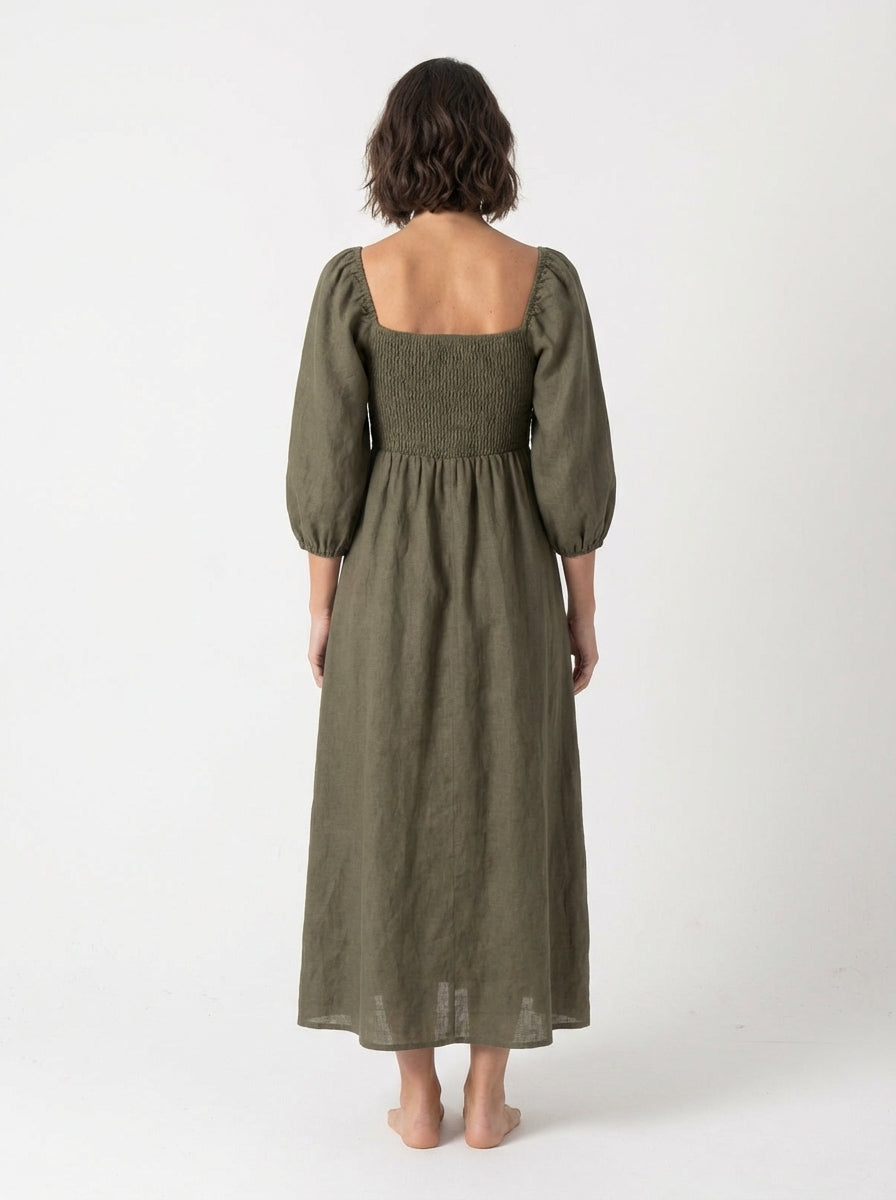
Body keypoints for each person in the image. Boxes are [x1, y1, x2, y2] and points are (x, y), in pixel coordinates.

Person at [285, 57, 616, 1150]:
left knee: (391, 805)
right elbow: (571, 465)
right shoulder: (541, 279)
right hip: (511, 574)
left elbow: (327, 463)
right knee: (508, 800)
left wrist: (323, 606)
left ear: (392, 152)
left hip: (385, 574)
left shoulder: (357, 280)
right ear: (490, 149)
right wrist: (581, 609)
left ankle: (417, 1096)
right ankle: (487, 1096)